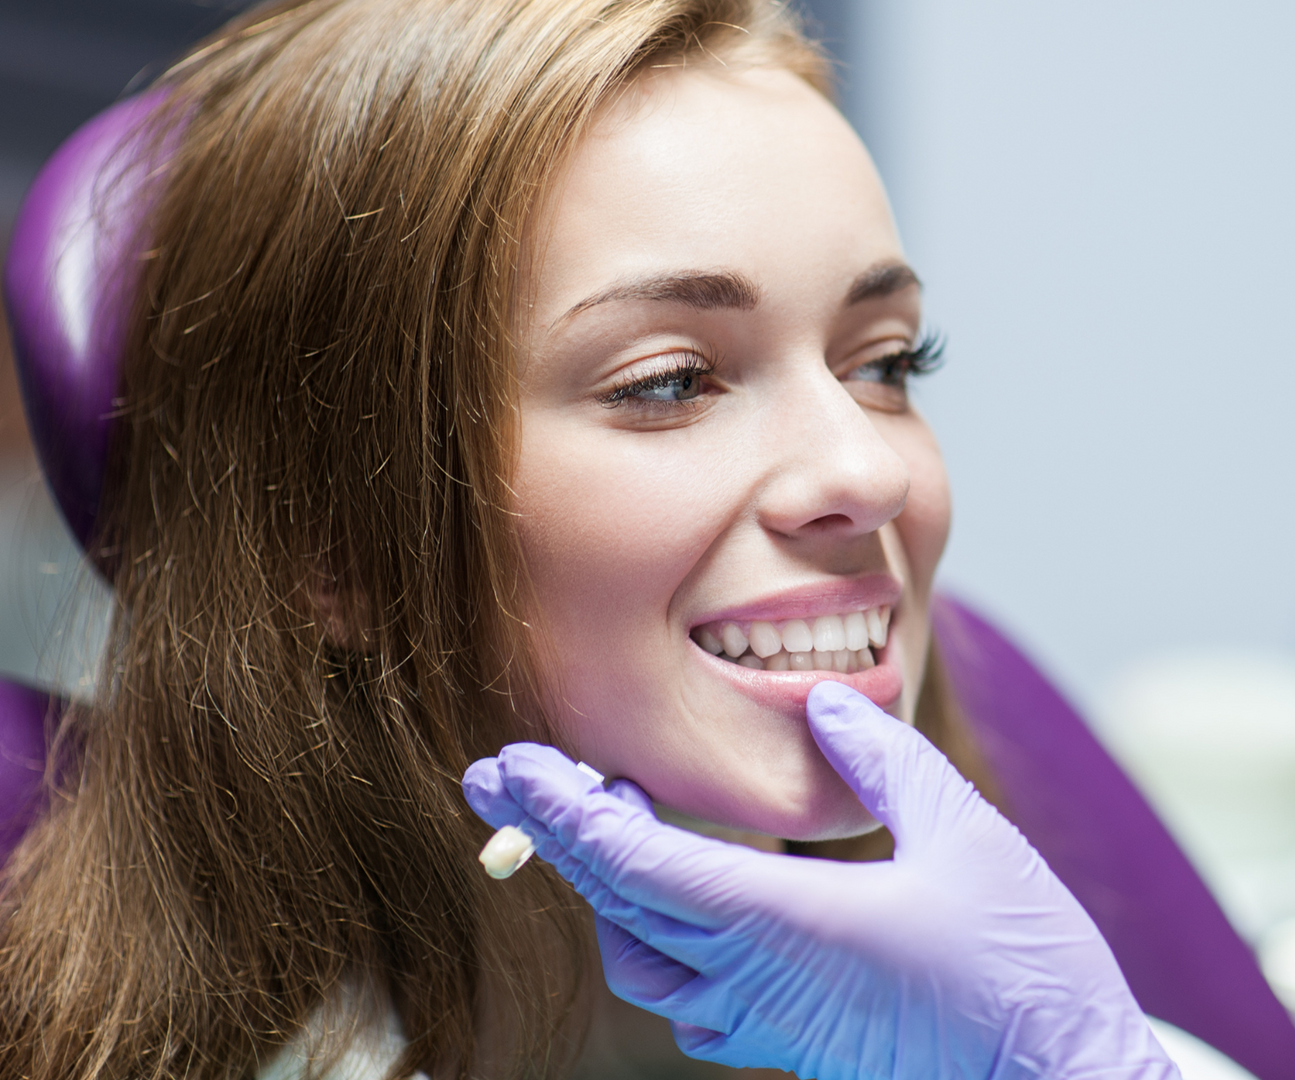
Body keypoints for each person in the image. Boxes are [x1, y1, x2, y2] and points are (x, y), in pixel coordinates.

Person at [0, 1, 1199, 1077]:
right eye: (673, 381)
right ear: (336, 549)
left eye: (886, 362)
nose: (871, 471)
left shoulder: (1020, 1031)